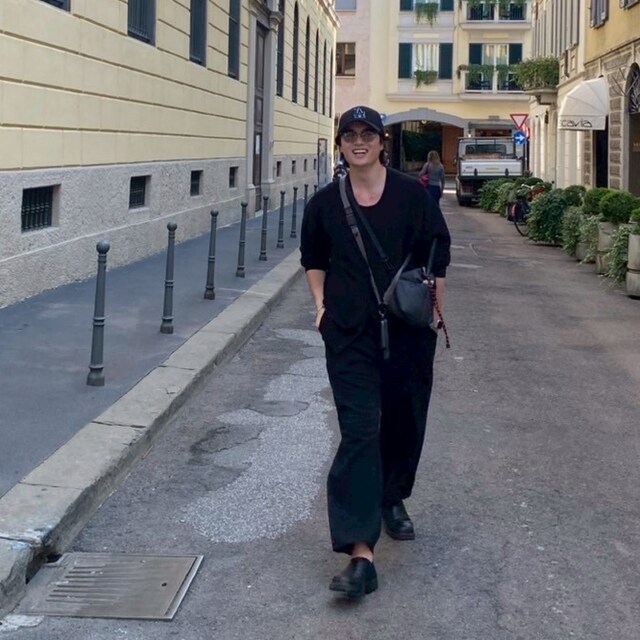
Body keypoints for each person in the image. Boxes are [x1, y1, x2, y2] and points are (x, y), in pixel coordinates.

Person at [299, 105, 451, 599]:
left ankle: (391, 497)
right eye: (350, 134)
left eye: (368, 133)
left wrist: (434, 312)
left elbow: (437, 255)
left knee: (404, 423)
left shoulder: (412, 195)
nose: (359, 141)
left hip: (406, 331)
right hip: (349, 334)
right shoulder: (324, 204)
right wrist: (321, 306)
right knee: (361, 431)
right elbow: (313, 258)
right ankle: (360, 553)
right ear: (340, 144)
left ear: (382, 142)